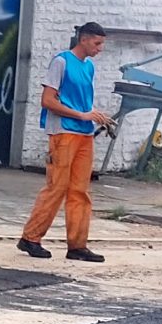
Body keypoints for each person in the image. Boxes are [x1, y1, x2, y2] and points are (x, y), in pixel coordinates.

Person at [18, 21, 114, 263]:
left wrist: (94, 114)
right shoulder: (61, 61)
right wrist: (83, 114)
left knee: (80, 191)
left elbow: (81, 101)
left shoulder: (88, 67)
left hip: (83, 132)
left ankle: (77, 245)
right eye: (97, 43)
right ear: (84, 39)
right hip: (63, 131)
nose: (99, 48)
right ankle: (31, 237)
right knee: (56, 186)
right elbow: (48, 100)